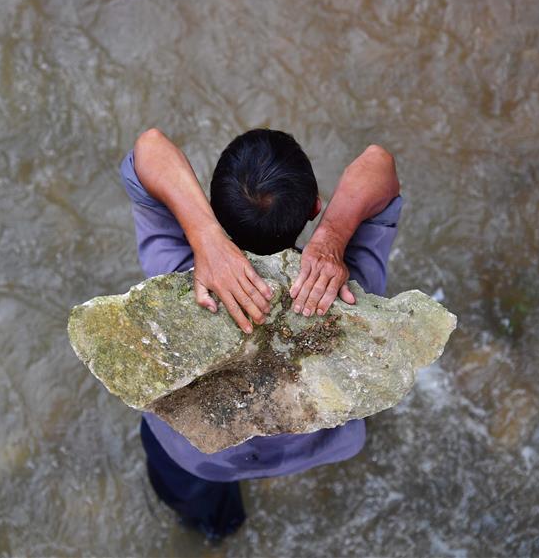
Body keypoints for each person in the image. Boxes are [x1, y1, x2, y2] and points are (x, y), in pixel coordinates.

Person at [120, 128, 402, 540]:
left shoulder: (177, 275)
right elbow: (379, 162)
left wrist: (205, 237)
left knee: (201, 509)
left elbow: (149, 147)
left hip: (198, 457)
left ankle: (217, 530)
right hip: (321, 444)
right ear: (316, 207)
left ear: (210, 208)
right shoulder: (348, 288)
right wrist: (332, 237)